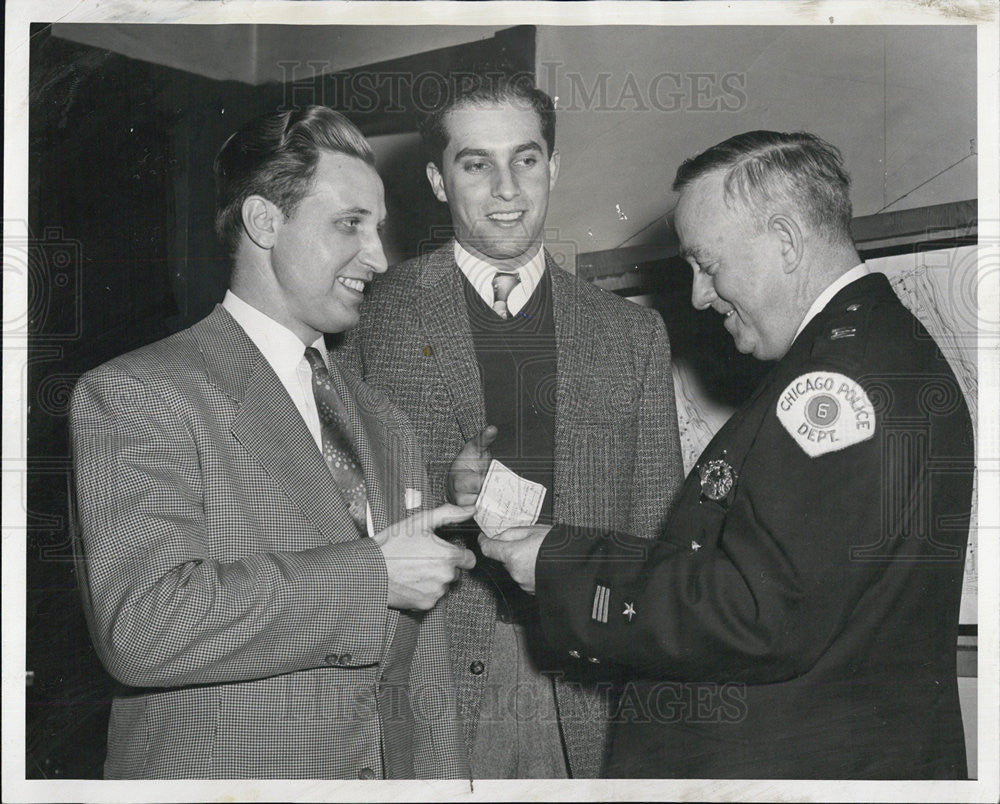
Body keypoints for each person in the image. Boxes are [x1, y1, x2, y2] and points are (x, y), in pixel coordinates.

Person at [479, 131, 974, 779]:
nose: (698, 297)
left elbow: (756, 613)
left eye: (708, 265)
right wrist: (560, 545)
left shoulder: (832, 386)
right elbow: (750, 573)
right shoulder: (874, 349)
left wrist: (558, 566)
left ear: (787, 242)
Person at [69, 106, 477, 779]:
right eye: (350, 224)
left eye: (378, 228)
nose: (378, 257)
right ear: (264, 222)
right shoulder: (139, 393)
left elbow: (422, 667)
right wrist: (371, 574)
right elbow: (141, 628)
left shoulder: (385, 422)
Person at [337, 74, 684, 778]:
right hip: (423, 670)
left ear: (552, 168)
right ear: (437, 180)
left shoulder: (632, 334)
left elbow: (655, 534)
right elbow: (332, 502)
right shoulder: (368, 316)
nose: (506, 188)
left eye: (525, 160)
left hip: (585, 675)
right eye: (476, 164)